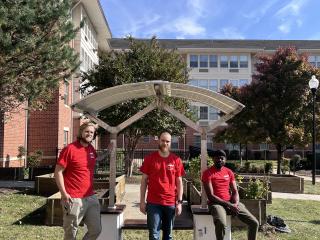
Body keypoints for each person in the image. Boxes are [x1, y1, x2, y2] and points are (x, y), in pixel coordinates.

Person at [54, 122, 102, 240]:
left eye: (91, 132)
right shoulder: (69, 149)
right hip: (73, 198)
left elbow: (96, 159)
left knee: (96, 229)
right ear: (81, 132)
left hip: (90, 197)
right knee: (71, 234)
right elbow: (58, 172)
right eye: (87, 131)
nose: (89, 134)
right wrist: (64, 194)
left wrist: (109, 151)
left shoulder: (90, 149)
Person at [202, 150, 259, 240]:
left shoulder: (229, 172)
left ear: (225, 160)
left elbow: (235, 191)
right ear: (213, 159)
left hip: (231, 202)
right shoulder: (207, 173)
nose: (220, 160)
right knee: (221, 223)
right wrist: (229, 205)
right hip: (216, 203)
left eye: (222, 158)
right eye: (217, 158)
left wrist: (235, 204)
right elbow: (211, 196)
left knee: (254, 222)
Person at [140, 132, 185, 240]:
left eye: (167, 141)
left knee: (168, 236)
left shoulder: (176, 160)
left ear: (170, 143)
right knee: (154, 235)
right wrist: (142, 201)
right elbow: (144, 181)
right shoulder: (149, 159)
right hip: (153, 203)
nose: (165, 143)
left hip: (170, 203)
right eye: (163, 140)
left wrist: (179, 203)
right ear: (158, 140)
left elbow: (179, 183)